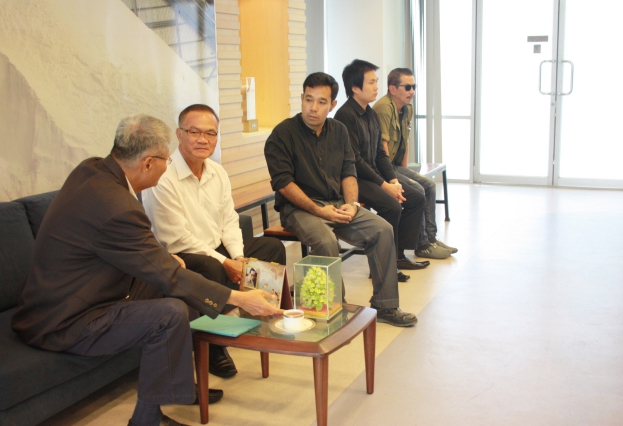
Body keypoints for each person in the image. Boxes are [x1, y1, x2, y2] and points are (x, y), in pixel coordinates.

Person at [11, 114, 282, 426]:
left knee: (184, 280)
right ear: (149, 163)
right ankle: (145, 419)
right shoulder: (117, 206)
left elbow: (124, 246)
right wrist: (240, 298)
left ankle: (179, 384)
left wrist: (165, 258)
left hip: (79, 291)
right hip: (65, 319)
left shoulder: (92, 169)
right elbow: (163, 269)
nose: (169, 165)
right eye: (167, 159)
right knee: (169, 313)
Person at [142, 104, 289, 379]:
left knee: (271, 248)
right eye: (194, 132)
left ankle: (259, 318)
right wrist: (226, 262)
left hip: (215, 247)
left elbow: (229, 220)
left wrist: (239, 257)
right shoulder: (164, 177)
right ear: (179, 134)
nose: (203, 139)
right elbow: (176, 237)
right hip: (181, 255)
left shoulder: (217, 172)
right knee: (210, 267)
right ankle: (215, 347)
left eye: (210, 133)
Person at [264, 72, 417, 327]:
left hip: (337, 203)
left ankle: (386, 306)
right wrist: (319, 211)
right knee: (326, 241)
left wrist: (353, 204)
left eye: (321, 102)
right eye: (309, 99)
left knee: (382, 229)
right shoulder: (283, 134)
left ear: (332, 104)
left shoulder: (339, 131)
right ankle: (336, 310)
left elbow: (348, 172)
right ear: (301, 98)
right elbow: (283, 183)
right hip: (299, 209)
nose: (313, 107)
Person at [334, 59, 429, 276]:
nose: (377, 87)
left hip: (372, 175)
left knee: (415, 197)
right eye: (371, 82)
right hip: (354, 178)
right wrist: (385, 185)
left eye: (376, 82)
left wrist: (393, 180)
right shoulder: (345, 116)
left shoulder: (370, 113)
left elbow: (380, 154)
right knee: (392, 206)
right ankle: (383, 267)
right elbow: (355, 161)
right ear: (355, 87)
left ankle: (398, 255)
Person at [373, 68, 457, 258]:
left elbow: (405, 140)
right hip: (383, 169)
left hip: (395, 166)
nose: (412, 91)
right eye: (408, 87)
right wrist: (395, 178)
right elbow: (383, 147)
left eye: (414, 87)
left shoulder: (407, 108)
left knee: (429, 185)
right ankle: (422, 244)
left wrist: (405, 171)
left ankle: (430, 239)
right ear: (393, 89)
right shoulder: (384, 108)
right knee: (419, 188)